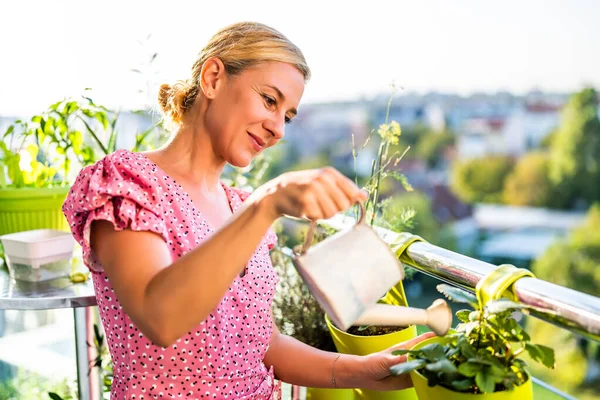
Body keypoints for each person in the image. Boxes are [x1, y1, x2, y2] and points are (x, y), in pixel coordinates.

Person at [62, 21, 435, 399]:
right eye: (270, 101)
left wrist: (364, 371)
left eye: (287, 116)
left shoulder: (238, 205)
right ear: (212, 78)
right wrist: (267, 202)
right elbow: (160, 316)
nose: (278, 130)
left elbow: (260, 345)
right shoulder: (127, 183)